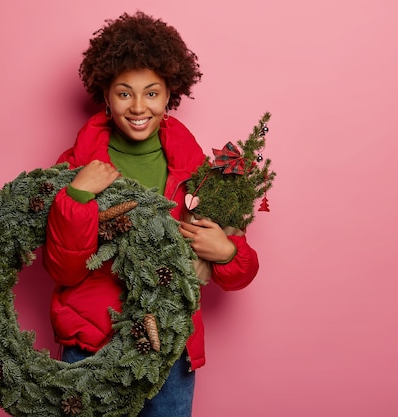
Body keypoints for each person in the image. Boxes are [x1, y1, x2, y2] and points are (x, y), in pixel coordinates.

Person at [42, 11, 259, 417]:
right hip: (92, 345)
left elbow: (242, 272)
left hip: (170, 352)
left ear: (169, 94)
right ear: (105, 95)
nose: (138, 106)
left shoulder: (199, 174)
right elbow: (63, 271)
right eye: (124, 93)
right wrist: (77, 196)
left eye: (152, 93)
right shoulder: (74, 167)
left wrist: (226, 252)